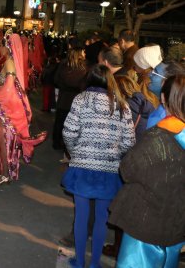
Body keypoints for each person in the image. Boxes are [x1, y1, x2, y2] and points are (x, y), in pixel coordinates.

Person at [62, 64, 135, 268]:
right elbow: (130, 141)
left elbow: (68, 132)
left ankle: (79, 261)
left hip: (82, 167)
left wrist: (75, 152)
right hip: (109, 170)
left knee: (81, 216)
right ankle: (95, 263)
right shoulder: (122, 104)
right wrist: (114, 155)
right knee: (102, 218)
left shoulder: (80, 100)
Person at [109, 75, 185, 268]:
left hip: (146, 226)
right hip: (176, 225)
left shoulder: (158, 137)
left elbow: (127, 169)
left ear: (163, 99)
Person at [0, 29, 47, 185]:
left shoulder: (9, 62)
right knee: (6, 141)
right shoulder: (10, 61)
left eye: (0, 45)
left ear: (7, 46)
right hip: (7, 108)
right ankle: (5, 170)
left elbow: (9, 85)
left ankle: (5, 174)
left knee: (4, 141)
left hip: (6, 110)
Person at [52, 46, 88, 151]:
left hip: (63, 99)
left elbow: (56, 80)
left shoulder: (63, 65)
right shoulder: (84, 68)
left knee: (60, 122)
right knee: (74, 125)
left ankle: (56, 142)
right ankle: (69, 146)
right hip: (77, 100)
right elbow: (85, 84)